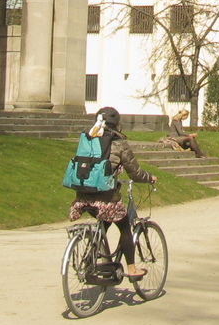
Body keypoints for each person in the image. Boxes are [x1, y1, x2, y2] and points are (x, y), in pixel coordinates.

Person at [67, 107, 157, 282]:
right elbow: (135, 172)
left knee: (106, 219)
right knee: (124, 227)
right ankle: (132, 269)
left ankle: (93, 258)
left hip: (83, 194)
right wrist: (149, 178)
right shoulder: (118, 143)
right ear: (117, 124)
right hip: (106, 198)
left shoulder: (87, 138)